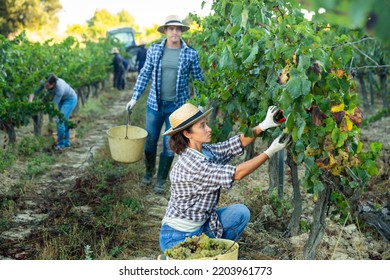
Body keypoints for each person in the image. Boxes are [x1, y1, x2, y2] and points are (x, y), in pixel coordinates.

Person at [159, 103, 291, 253]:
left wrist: (263, 125)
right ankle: (204, 256)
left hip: (200, 227)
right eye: (202, 126)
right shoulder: (192, 165)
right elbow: (237, 173)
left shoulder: (204, 150)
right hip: (177, 237)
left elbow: (234, 145)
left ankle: (213, 252)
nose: (208, 129)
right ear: (187, 134)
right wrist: (270, 151)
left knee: (240, 213)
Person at [125, 15, 204, 194]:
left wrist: (200, 104)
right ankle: (149, 171)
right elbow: (145, 74)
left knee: (170, 145)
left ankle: (160, 180)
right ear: (166, 31)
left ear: (181, 32)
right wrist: (134, 97)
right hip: (155, 105)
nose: (175, 32)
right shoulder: (154, 50)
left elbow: (198, 80)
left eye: (178, 29)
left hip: (177, 109)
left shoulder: (191, 53)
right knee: (150, 141)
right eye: (171, 29)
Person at [29, 74, 78, 151]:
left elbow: (53, 105)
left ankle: (60, 145)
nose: (46, 86)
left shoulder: (59, 89)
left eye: (48, 86)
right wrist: (30, 100)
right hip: (62, 100)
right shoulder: (44, 82)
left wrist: (43, 107)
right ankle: (67, 142)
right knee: (64, 120)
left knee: (60, 120)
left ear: (54, 84)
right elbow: (34, 92)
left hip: (70, 100)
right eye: (45, 84)